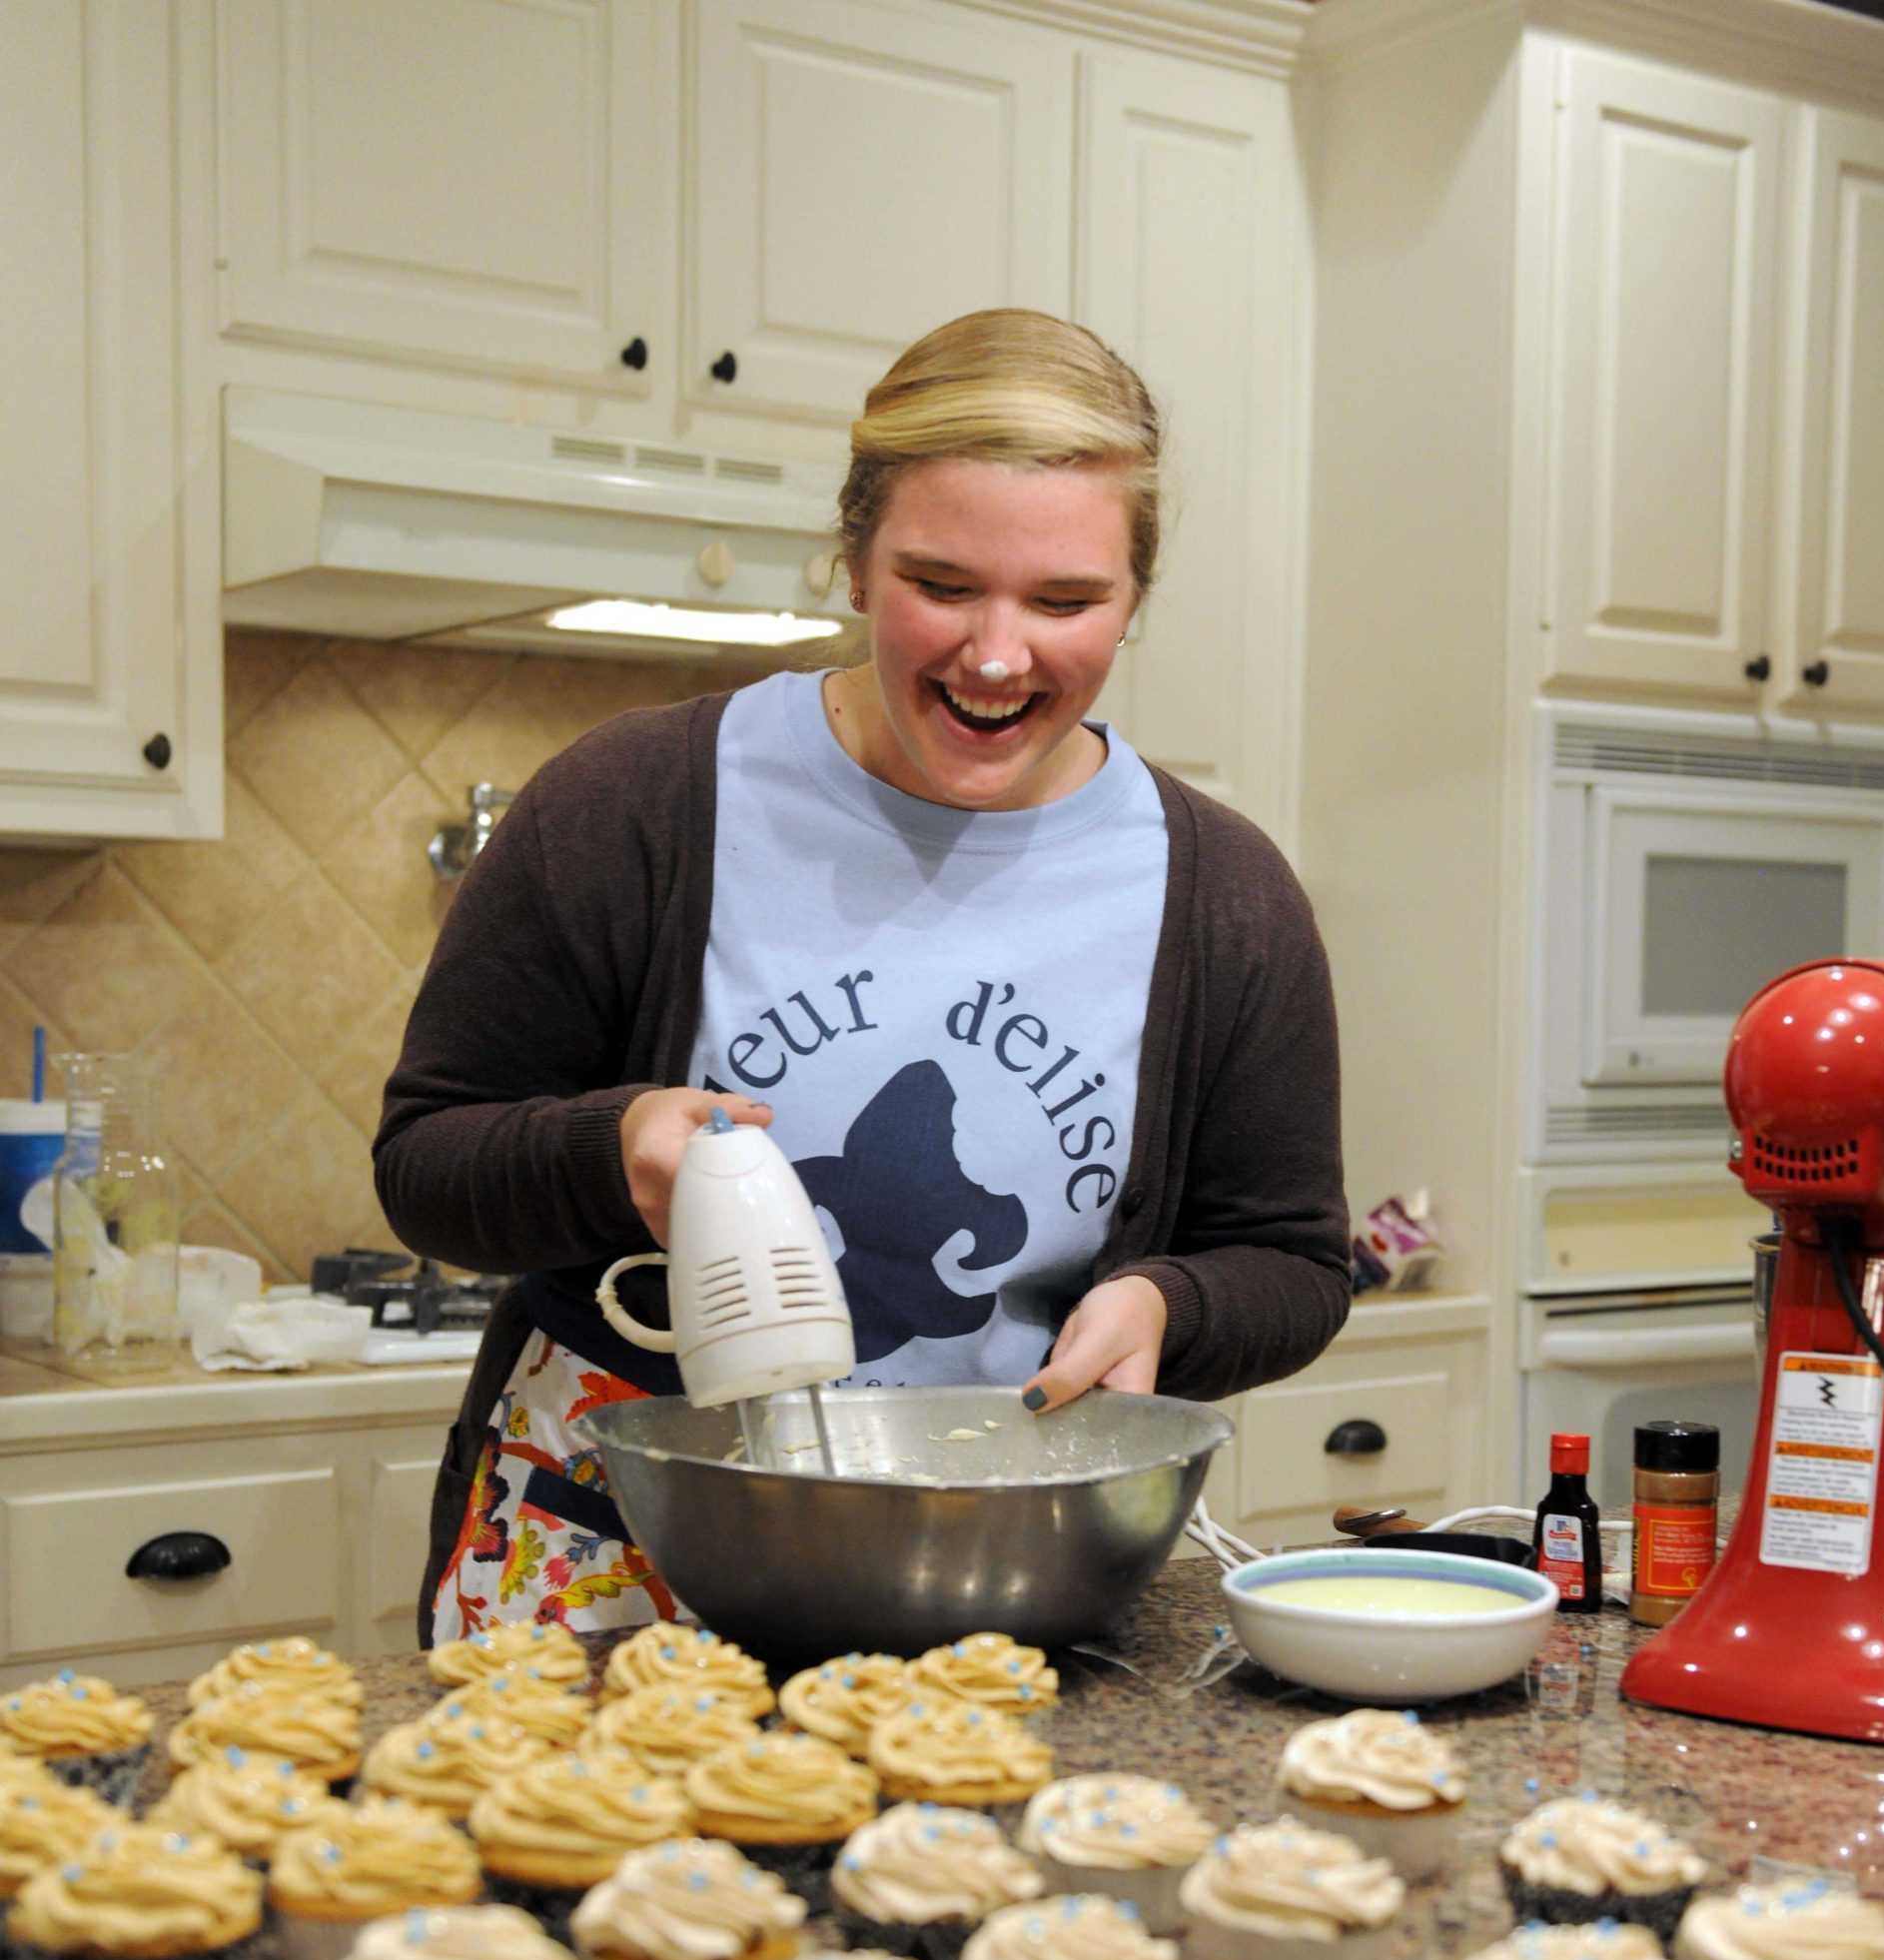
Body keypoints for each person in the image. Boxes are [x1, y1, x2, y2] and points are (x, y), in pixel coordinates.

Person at [375, 308, 1350, 1645]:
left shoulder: (1218, 892)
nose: (998, 655)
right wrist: (613, 1152)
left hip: (1003, 1573)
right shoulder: (637, 804)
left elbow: (1292, 1259)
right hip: (612, 1560)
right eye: (940, 586)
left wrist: (1169, 1303)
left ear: (1133, 598)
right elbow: (427, 1159)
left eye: (1066, 601)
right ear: (849, 557)